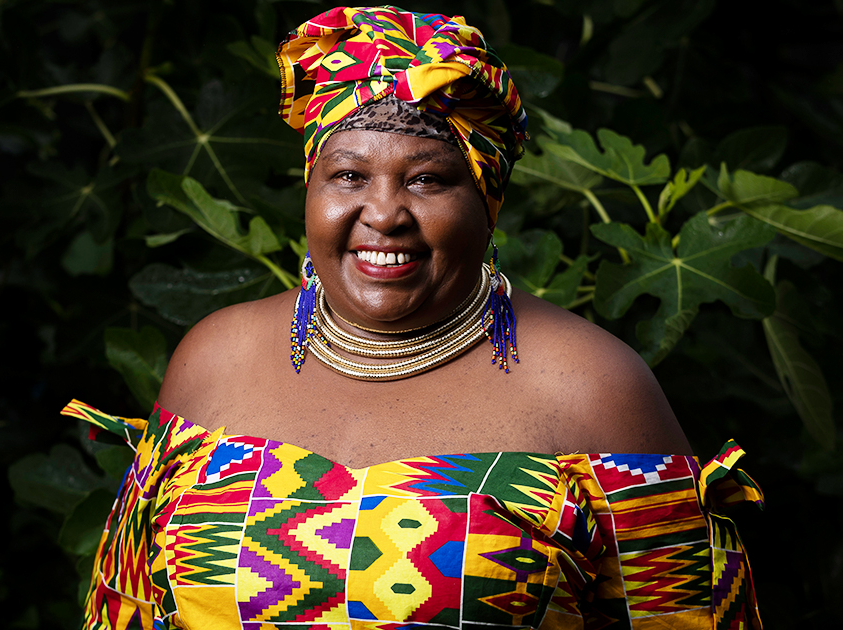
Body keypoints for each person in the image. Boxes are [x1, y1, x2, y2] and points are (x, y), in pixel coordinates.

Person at [63, 6, 763, 628]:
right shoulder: (213, 361)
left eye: (427, 178)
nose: (384, 214)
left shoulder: (596, 390)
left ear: (486, 202)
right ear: (309, 189)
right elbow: (126, 606)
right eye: (348, 175)